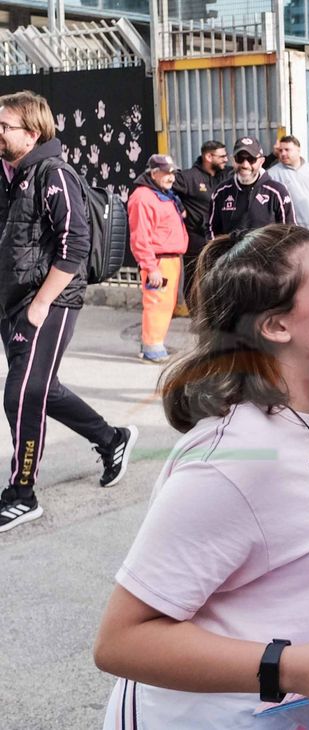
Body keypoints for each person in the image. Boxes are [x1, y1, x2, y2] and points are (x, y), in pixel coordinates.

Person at [94, 224, 309, 729]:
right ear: (275, 326)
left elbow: (277, 538)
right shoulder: (232, 459)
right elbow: (121, 641)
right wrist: (289, 667)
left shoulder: (303, 413)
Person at [0, 90, 137, 533]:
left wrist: (40, 305)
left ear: (32, 132)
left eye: (5, 127)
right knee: (42, 389)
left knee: (20, 394)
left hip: (49, 301)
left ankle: (22, 494)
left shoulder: (53, 173)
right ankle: (111, 438)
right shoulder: (10, 174)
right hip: (13, 301)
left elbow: (74, 244)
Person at [127, 153, 188, 363]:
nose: (172, 177)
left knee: (166, 304)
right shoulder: (143, 197)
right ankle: (152, 347)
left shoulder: (162, 194)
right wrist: (150, 266)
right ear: (154, 173)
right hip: (159, 261)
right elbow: (140, 236)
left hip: (170, 259)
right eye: (167, 173)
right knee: (157, 303)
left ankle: (155, 342)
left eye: (173, 173)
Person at [172, 139, 229, 308]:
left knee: (220, 279)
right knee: (193, 281)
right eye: (222, 156)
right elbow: (163, 187)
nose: (226, 159)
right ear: (209, 156)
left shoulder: (226, 175)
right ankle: (196, 317)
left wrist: (270, 157)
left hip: (219, 239)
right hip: (196, 240)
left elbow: (248, 168)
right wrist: (180, 206)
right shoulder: (188, 178)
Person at [207, 137, 294, 238]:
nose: (245, 165)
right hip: (231, 253)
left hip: (267, 253)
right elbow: (211, 229)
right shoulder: (221, 192)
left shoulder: (277, 192)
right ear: (233, 160)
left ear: (261, 161)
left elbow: (289, 231)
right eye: (239, 158)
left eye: (251, 159)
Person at [266, 135, 309, 246]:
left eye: (287, 150)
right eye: (280, 150)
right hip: (290, 237)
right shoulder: (272, 174)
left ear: (298, 150)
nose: (283, 153)